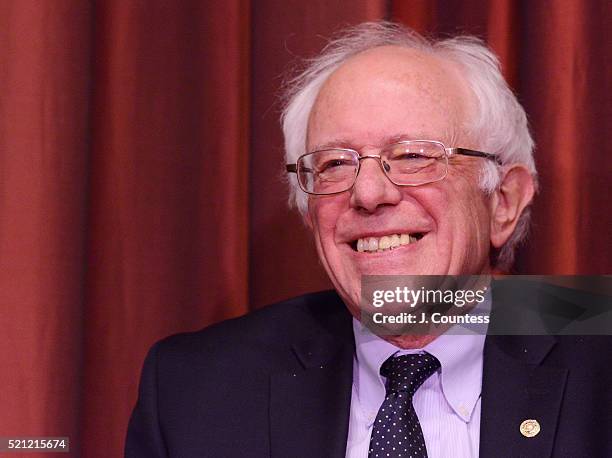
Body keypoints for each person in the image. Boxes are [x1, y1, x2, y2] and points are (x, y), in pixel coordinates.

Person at [125, 22, 611, 457]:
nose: (369, 193)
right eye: (335, 164)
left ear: (503, 200)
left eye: (415, 155)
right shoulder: (196, 389)